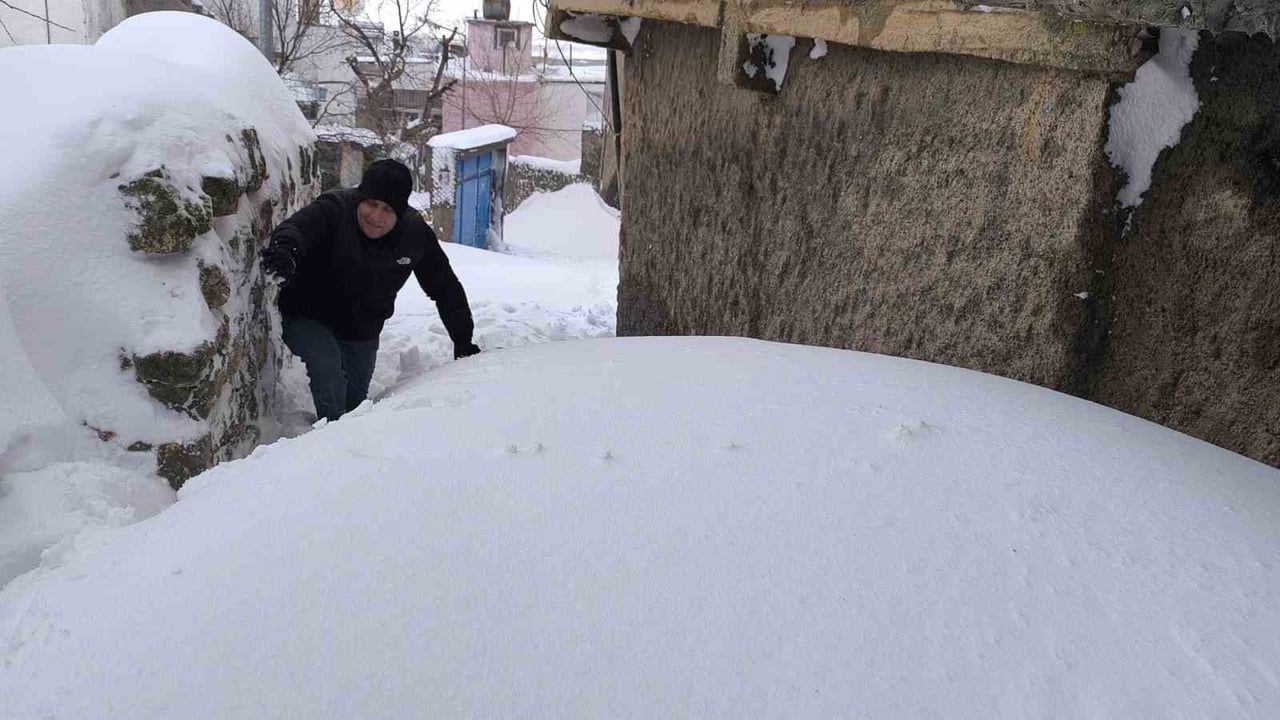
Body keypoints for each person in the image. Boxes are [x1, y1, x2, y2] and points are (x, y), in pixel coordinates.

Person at [259, 158, 480, 422]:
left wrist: (463, 339)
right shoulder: (334, 210)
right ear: (360, 198)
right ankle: (331, 439)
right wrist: (286, 251)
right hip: (308, 313)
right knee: (327, 368)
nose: (376, 216)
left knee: (355, 406)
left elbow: (444, 287)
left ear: (400, 213)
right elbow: (297, 228)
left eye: (387, 209)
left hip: (362, 328)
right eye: (371, 204)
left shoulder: (414, 235)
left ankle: (349, 434)